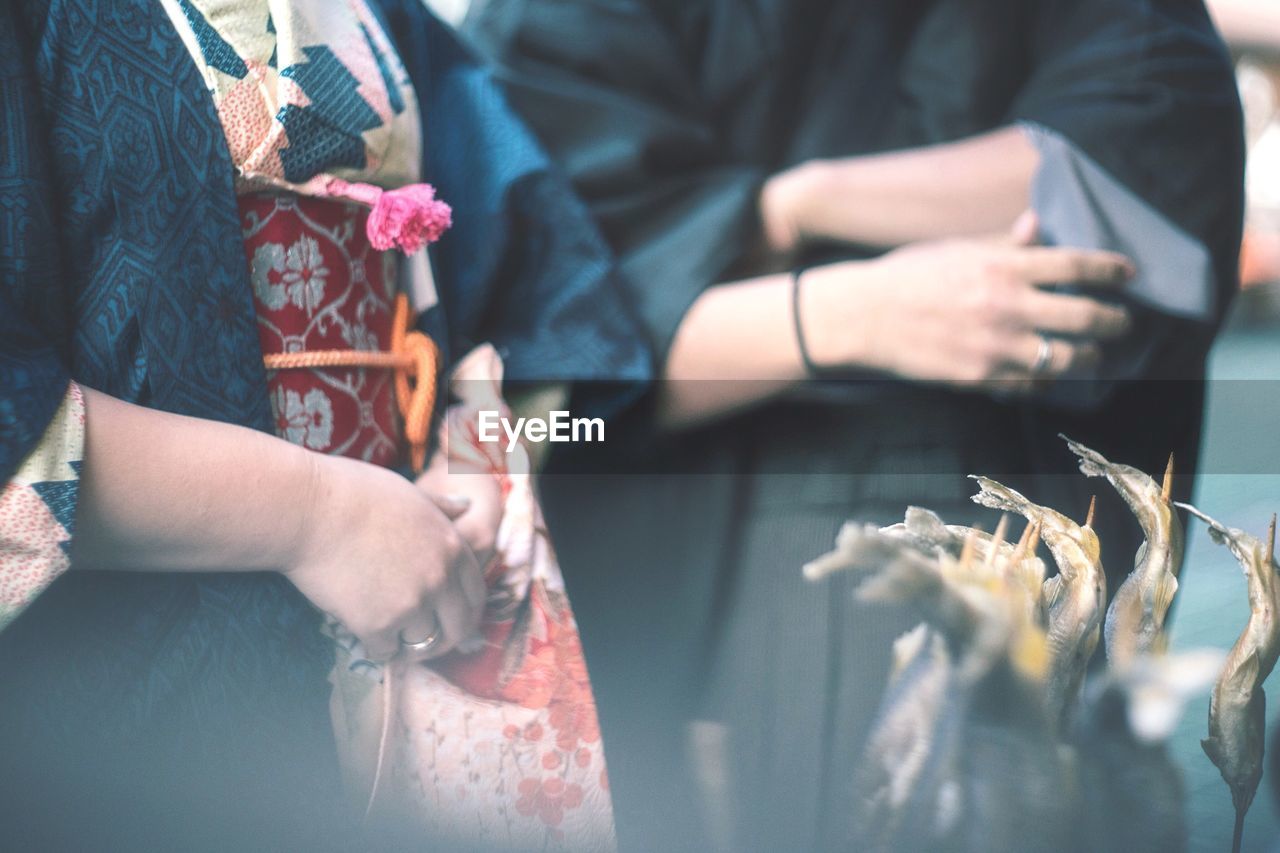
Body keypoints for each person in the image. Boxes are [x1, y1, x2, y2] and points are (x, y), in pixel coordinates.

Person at [462, 0, 1246, 850]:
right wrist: (846, 308)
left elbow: (1145, 168)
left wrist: (798, 205)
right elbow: (532, 355)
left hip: (995, 516)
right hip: (672, 567)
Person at [0, 1, 647, 849]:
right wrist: (316, 514)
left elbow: (537, 279)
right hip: (134, 664)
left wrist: (477, 453)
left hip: (416, 569)